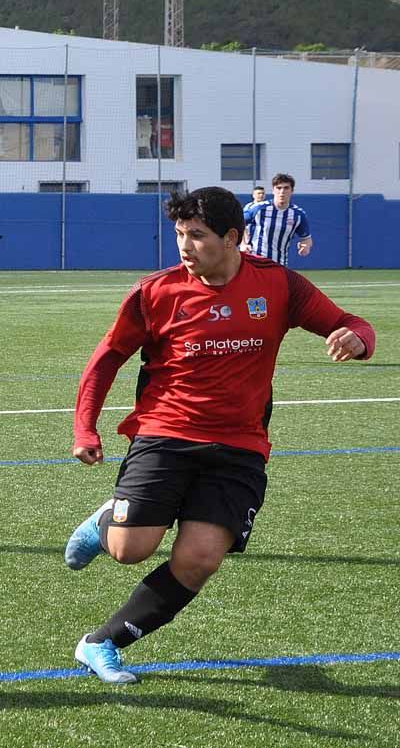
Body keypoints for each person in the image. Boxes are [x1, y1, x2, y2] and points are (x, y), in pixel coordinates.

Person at [64, 186, 375, 684]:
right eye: (180, 234)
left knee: (200, 558)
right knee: (129, 549)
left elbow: (348, 322)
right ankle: (108, 521)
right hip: (166, 432)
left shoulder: (278, 285)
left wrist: (358, 339)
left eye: (197, 235)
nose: (185, 246)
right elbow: (106, 360)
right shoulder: (156, 291)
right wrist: (86, 426)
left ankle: (101, 643)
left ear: (233, 238)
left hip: (240, 445)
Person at [242, 173, 312, 267]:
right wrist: (243, 244)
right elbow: (238, 222)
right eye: (279, 188)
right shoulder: (259, 209)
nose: (282, 192)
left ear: (292, 191)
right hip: (255, 263)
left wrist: (306, 246)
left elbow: (307, 238)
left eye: (286, 188)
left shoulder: (298, 215)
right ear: (273, 190)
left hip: (280, 264)